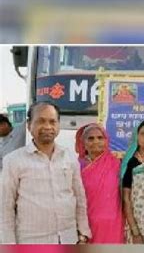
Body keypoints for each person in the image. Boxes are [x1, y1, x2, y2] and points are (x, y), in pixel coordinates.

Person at [0, 101, 91, 244]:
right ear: (29, 125)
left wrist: (83, 233)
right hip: (32, 242)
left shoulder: (69, 157)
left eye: (52, 121)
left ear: (58, 125)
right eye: (41, 121)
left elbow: (79, 198)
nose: (48, 127)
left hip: (68, 239)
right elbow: (5, 208)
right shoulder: (13, 160)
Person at [75, 123, 124, 244]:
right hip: (85, 225)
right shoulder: (75, 166)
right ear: (83, 143)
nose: (95, 141)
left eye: (100, 138)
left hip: (112, 224)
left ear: (106, 141)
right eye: (90, 138)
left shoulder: (117, 164)